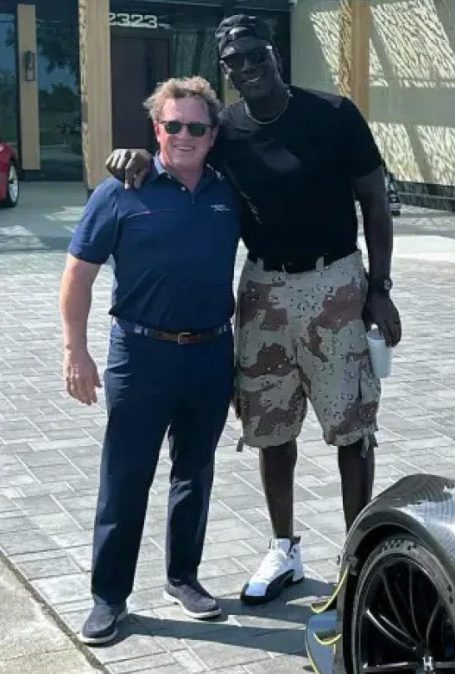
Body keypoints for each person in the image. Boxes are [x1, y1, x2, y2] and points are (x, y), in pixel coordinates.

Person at [106, 14, 402, 606]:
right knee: (270, 426)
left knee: (351, 428)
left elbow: (374, 199)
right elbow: (182, 150)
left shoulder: (334, 114)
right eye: (234, 61)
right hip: (263, 289)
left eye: (256, 54)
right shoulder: (227, 131)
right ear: (226, 70)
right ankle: (284, 547)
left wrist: (379, 287)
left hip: (335, 283)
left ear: (275, 55)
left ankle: (358, 557)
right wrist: (137, 155)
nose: (247, 67)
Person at [62, 76, 239, 645]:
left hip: (211, 353)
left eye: (197, 127)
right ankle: (108, 598)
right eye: (173, 125)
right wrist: (75, 351)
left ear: (212, 135)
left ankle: (183, 577)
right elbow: (78, 275)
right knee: (126, 477)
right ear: (156, 129)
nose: (185, 136)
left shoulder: (229, 191)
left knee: (195, 471)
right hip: (140, 356)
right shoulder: (120, 191)